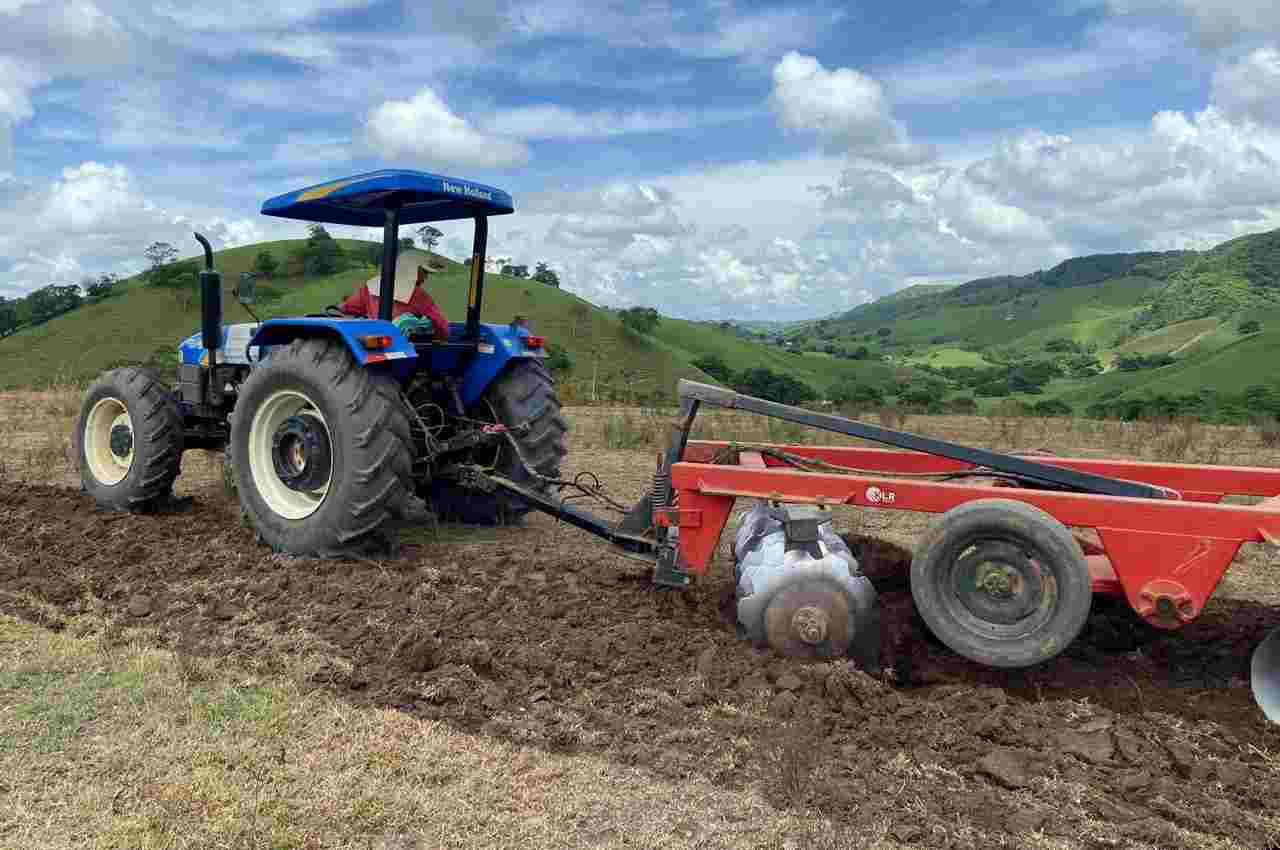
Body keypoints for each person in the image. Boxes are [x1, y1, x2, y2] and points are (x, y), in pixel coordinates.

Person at [341, 249, 450, 341]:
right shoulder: (418, 295)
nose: (426, 278)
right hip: (401, 348)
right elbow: (443, 329)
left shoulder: (369, 286)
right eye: (424, 272)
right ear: (411, 269)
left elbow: (348, 309)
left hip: (374, 343)